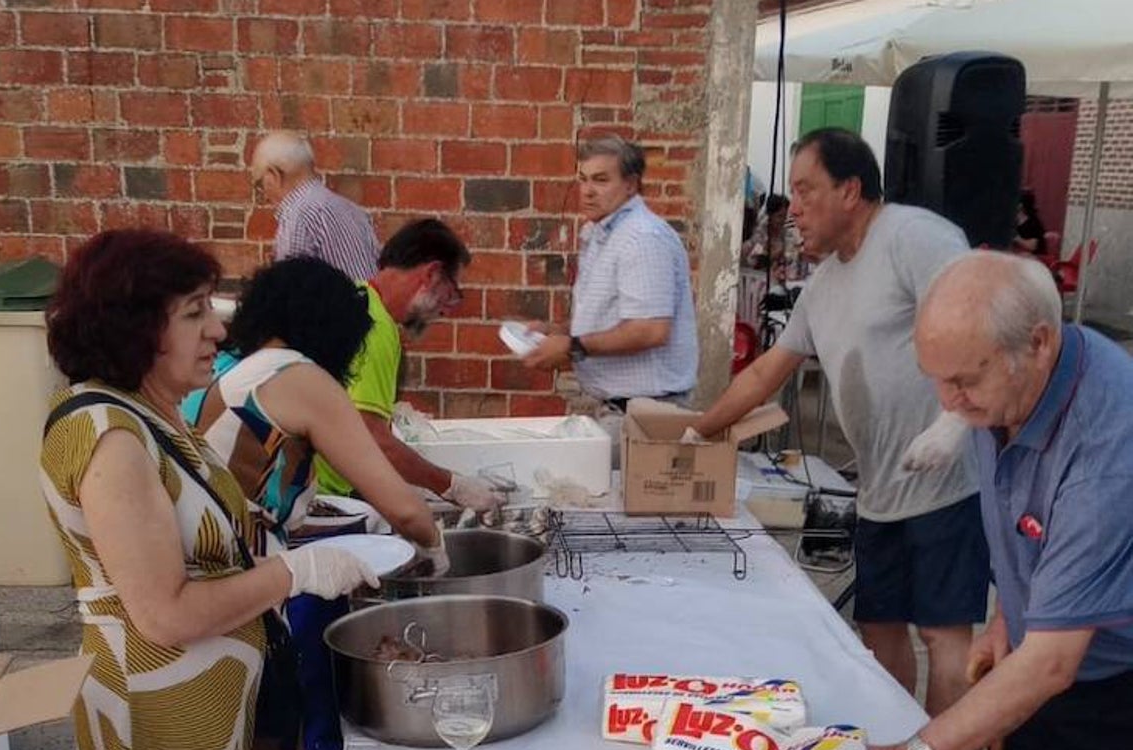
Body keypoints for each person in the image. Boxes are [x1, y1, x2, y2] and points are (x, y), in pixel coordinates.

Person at [39, 230, 380, 750]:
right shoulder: (110, 436)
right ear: (137, 326)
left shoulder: (155, 412)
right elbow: (164, 616)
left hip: (206, 706)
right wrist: (293, 573)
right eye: (194, 314)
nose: (218, 330)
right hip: (160, 712)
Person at [689, 128, 988, 718]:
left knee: (944, 639)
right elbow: (762, 376)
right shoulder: (822, 284)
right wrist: (693, 433)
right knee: (878, 635)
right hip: (879, 490)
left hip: (948, 481)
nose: (792, 208)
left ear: (851, 190)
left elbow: (985, 313)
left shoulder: (913, 236)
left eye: (806, 190)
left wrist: (956, 422)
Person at [868, 250, 1133, 750]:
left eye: (963, 381)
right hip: (1047, 668)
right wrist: (1010, 614)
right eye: (936, 378)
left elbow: (1050, 665)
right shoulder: (1008, 383)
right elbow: (1030, 523)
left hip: (1115, 692)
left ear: (1038, 344)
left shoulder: (1106, 446)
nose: (949, 403)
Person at [191, 255, 446, 750]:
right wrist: (434, 545)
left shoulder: (238, 372)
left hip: (212, 578)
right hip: (247, 594)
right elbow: (400, 504)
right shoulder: (301, 377)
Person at [312, 218, 505, 513]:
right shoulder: (375, 327)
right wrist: (450, 485)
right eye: (450, 294)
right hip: (328, 497)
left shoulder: (358, 297)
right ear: (431, 274)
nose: (443, 309)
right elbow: (371, 438)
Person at [523, 135, 698, 451]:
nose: (588, 191)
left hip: (645, 414)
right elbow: (614, 318)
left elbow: (649, 330)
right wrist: (556, 333)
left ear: (631, 185)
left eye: (601, 180)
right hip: (621, 410)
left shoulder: (641, 238)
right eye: (583, 179)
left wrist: (572, 346)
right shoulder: (601, 232)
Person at [250, 130, 380, 278]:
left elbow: (291, 289)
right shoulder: (354, 211)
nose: (264, 196)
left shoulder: (297, 216)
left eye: (260, 183)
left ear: (274, 175)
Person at [1012, 189, 1047, 256]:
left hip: (1035, 256)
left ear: (1020, 205)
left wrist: (1017, 238)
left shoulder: (1033, 222)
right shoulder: (1014, 221)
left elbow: (1033, 246)